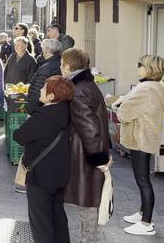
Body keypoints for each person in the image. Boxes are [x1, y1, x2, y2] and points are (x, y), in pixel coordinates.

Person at [113, 55, 164, 236]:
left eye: (141, 65)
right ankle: (142, 214)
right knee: (143, 178)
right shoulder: (156, 88)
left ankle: (146, 223)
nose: (137, 67)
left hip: (140, 138)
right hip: (146, 136)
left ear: (150, 69)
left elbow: (124, 113)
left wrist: (119, 105)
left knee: (143, 180)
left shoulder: (146, 89)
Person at [13, 76, 74, 243]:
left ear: (51, 96)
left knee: (41, 222)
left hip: (40, 177)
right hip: (61, 173)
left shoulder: (42, 117)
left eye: (44, 88)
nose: (40, 90)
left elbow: (19, 137)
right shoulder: (69, 112)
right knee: (58, 215)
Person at [60, 48, 111, 243]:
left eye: (61, 65)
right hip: (91, 151)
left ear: (67, 66)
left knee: (88, 202)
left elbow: (89, 128)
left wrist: (99, 159)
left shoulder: (78, 89)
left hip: (86, 154)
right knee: (88, 202)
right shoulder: (86, 84)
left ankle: (88, 240)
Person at [26, 39, 63, 115]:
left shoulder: (46, 68)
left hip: (42, 109)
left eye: (42, 48)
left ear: (46, 50)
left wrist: (30, 109)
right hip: (55, 107)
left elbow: (38, 92)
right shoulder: (60, 63)